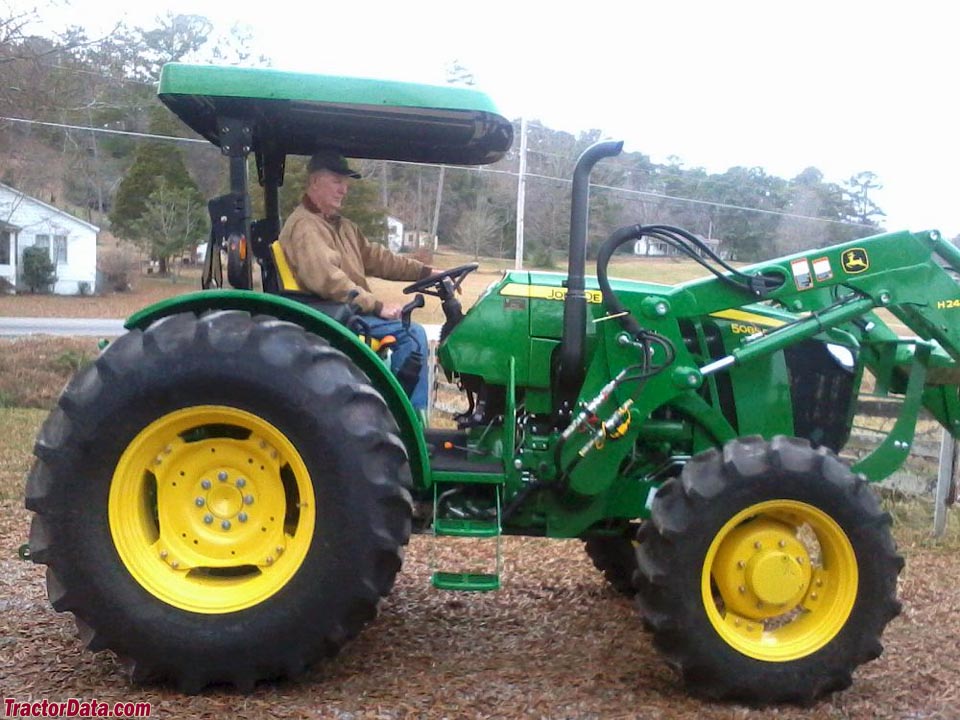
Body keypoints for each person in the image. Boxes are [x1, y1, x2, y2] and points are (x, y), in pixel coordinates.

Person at [278, 149, 435, 411]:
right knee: (412, 335)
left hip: (344, 310)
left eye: (346, 183)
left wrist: (426, 273)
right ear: (315, 182)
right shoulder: (305, 226)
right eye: (337, 182)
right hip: (330, 315)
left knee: (411, 332)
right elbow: (328, 280)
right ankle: (410, 421)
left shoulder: (342, 226)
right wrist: (376, 305)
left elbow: (378, 258)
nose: (344, 190)